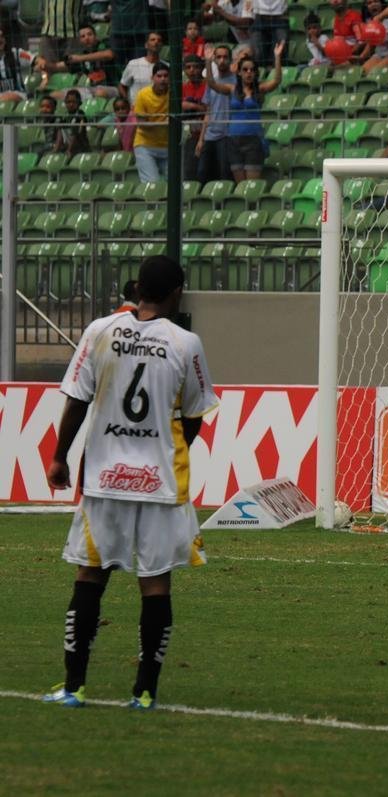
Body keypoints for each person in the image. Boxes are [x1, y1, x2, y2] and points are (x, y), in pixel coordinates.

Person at [41, 254, 219, 710]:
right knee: (155, 584)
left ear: (138, 289)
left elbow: (78, 400)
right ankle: (143, 693)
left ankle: (73, 686)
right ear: (177, 292)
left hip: (104, 480)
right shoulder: (186, 343)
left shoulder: (99, 332)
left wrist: (59, 457)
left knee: (89, 576)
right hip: (159, 484)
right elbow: (194, 417)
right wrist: (164, 446)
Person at [204, 42, 284, 183]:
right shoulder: (232, 89)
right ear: (239, 72)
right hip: (233, 140)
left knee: (251, 185)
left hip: (253, 140)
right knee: (240, 185)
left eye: (252, 70)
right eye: (245, 70)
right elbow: (212, 84)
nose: (249, 73)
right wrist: (208, 62)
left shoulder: (260, 89)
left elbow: (277, 81)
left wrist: (277, 57)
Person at [38, 24, 119, 100]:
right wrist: (42, 64)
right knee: (54, 95)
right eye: (83, 36)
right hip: (90, 88)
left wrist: (80, 58)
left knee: (100, 93)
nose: (87, 38)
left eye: (90, 34)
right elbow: (57, 66)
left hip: (111, 87)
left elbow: (108, 55)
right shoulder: (81, 55)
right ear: (80, 40)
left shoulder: (103, 45)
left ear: (95, 36)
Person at [195, 45, 235, 183]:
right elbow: (208, 111)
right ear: (215, 60)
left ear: (230, 59)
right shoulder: (210, 84)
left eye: (225, 57)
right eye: (218, 57)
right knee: (201, 173)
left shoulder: (236, 81)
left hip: (227, 134)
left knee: (224, 172)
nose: (222, 60)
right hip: (210, 134)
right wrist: (201, 139)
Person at [133, 63, 170, 182]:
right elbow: (142, 124)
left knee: (173, 184)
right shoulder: (142, 95)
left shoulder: (174, 94)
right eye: (159, 76)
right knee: (152, 183)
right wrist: (164, 123)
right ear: (152, 78)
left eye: (166, 76)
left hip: (168, 145)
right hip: (145, 144)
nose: (163, 79)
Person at [181, 55, 208, 181]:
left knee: (204, 170)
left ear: (202, 68)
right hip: (189, 135)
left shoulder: (208, 85)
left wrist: (192, 106)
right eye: (188, 67)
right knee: (189, 170)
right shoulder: (183, 88)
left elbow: (210, 109)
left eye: (196, 67)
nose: (192, 70)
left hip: (207, 133)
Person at [119, 31, 165, 101]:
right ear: (146, 45)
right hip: (136, 109)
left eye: (159, 40)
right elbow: (122, 86)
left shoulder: (166, 66)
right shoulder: (133, 64)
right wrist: (128, 104)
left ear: (161, 45)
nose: (156, 42)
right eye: (153, 40)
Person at [55, 88, 90, 157]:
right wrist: (56, 150)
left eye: (74, 102)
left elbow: (76, 134)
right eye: (68, 102)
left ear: (79, 103)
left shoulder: (80, 115)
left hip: (80, 147)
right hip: (67, 147)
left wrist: (69, 150)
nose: (71, 104)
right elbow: (60, 134)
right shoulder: (64, 116)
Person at [253, 0, 288, 68]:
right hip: (259, 16)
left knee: (279, 53)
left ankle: (276, 75)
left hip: (279, 16)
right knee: (257, 54)